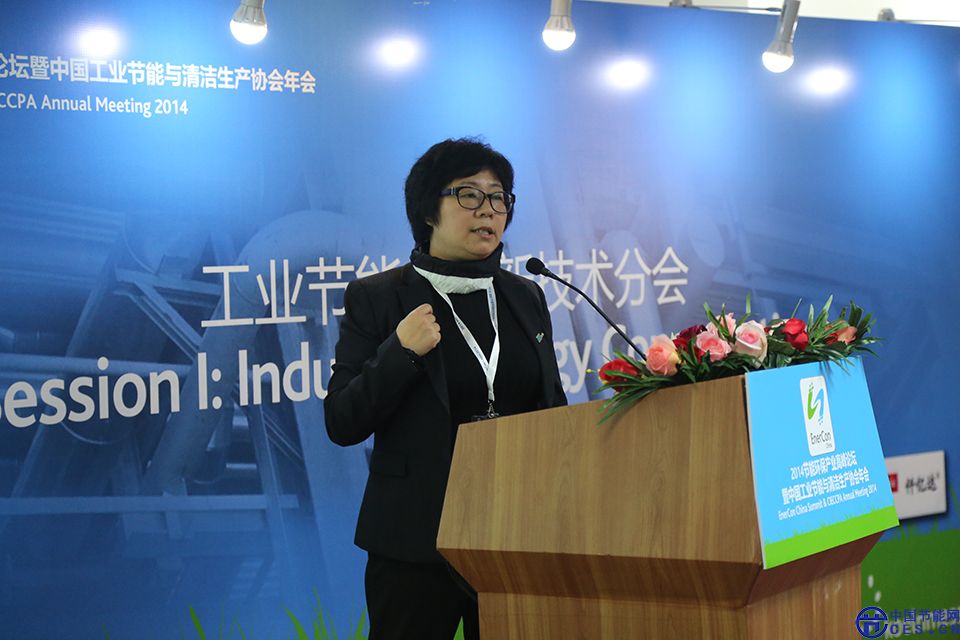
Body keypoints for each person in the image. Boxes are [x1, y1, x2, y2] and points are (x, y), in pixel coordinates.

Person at [324, 138, 567, 640]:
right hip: (416, 539)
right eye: (469, 194)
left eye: (499, 197)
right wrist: (401, 353)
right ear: (427, 210)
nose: (489, 210)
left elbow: (551, 409)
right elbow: (343, 421)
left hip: (514, 534)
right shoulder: (378, 297)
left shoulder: (525, 295)